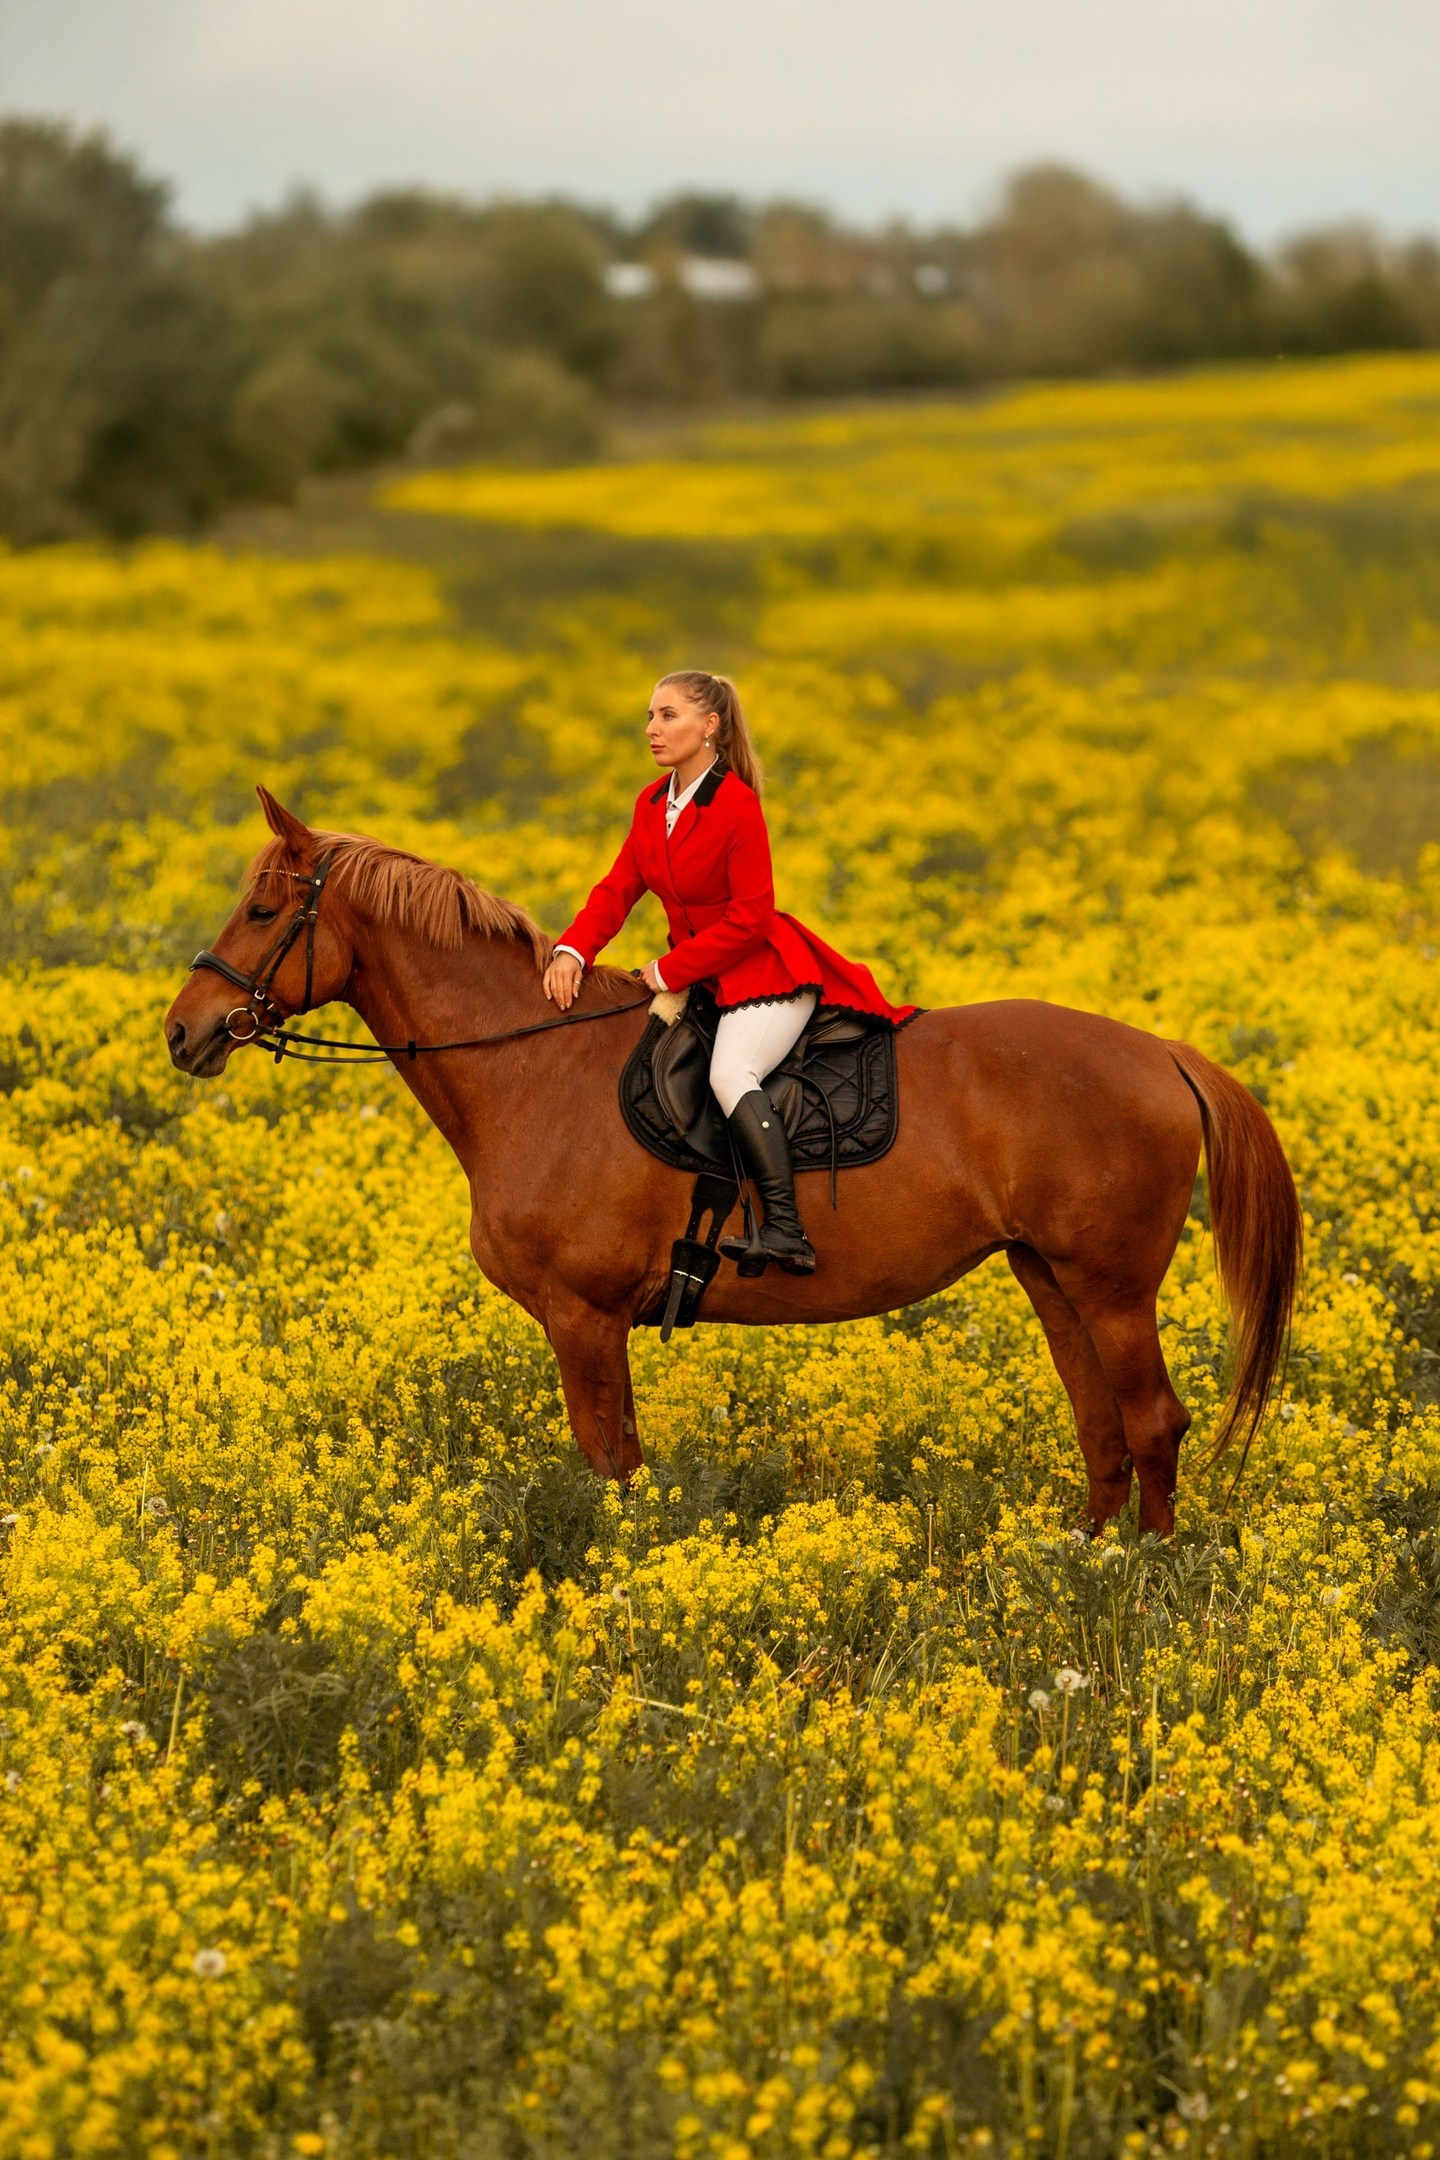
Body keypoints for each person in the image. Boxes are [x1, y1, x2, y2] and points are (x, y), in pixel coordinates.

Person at [544, 671, 916, 1274]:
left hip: (764, 972)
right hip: (707, 979)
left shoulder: (736, 804)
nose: (651, 729)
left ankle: (787, 1230)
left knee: (729, 1072)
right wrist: (572, 951)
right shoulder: (650, 803)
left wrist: (668, 969)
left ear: (709, 726)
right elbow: (617, 888)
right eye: (649, 716)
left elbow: (750, 918)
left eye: (668, 716)